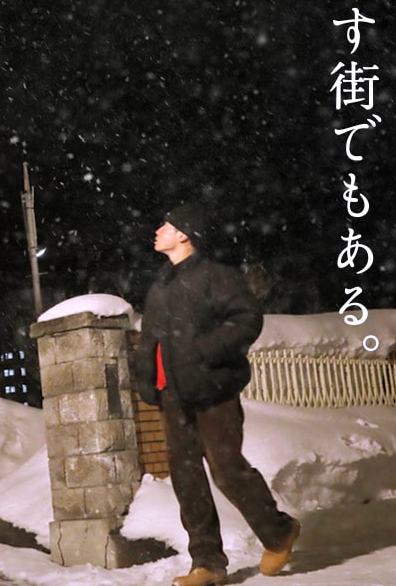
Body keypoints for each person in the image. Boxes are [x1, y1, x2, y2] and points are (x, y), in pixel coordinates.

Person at [132, 203, 302, 586]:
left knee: (226, 468)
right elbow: (150, 340)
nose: (159, 229)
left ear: (185, 234)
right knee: (186, 478)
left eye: (167, 224)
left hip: (213, 390)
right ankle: (207, 563)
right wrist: (146, 377)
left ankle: (278, 532)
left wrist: (204, 351)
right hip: (172, 394)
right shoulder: (160, 286)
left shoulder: (216, 276)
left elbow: (246, 319)